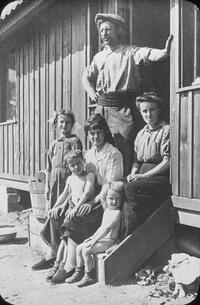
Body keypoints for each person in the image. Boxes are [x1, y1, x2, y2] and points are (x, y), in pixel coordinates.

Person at [82, 13, 173, 176]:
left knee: (123, 149)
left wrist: (165, 51)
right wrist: (90, 91)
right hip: (101, 109)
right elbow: (86, 77)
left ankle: (122, 191)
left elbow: (151, 54)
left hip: (122, 110)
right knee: (100, 148)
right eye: (102, 30)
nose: (104, 33)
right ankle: (104, 190)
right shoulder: (98, 57)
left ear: (119, 31)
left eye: (108, 29)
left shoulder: (131, 52)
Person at [32, 109, 83, 270]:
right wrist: (47, 187)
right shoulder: (54, 144)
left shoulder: (75, 141)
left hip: (67, 185)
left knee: (63, 217)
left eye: (68, 122)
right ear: (56, 124)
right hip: (54, 185)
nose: (64, 125)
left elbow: (78, 164)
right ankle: (53, 253)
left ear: (72, 124)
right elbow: (48, 169)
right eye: (61, 122)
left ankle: (62, 255)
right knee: (53, 214)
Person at [122, 92, 171, 238]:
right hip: (143, 175)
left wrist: (144, 175)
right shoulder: (141, 133)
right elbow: (137, 160)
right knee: (117, 186)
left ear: (159, 110)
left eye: (152, 110)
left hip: (159, 176)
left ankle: (131, 236)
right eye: (144, 111)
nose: (148, 114)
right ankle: (118, 236)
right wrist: (133, 173)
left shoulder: (166, 130)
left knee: (131, 188)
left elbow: (167, 161)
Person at [46, 149, 96, 282]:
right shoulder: (71, 178)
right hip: (73, 209)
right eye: (72, 165)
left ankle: (68, 266)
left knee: (70, 220)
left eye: (79, 163)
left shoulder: (89, 176)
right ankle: (59, 262)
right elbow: (64, 194)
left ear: (84, 162)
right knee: (58, 218)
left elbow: (86, 193)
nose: (76, 167)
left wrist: (77, 208)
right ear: (68, 167)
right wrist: (55, 206)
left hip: (87, 209)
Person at [65, 181, 124, 287]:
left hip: (110, 241)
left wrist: (94, 241)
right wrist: (92, 237)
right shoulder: (107, 211)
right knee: (79, 248)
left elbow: (107, 229)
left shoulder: (117, 213)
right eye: (111, 198)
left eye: (117, 199)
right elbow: (101, 227)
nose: (114, 202)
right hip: (102, 239)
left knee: (86, 250)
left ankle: (89, 275)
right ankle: (79, 271)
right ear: (105, 198)